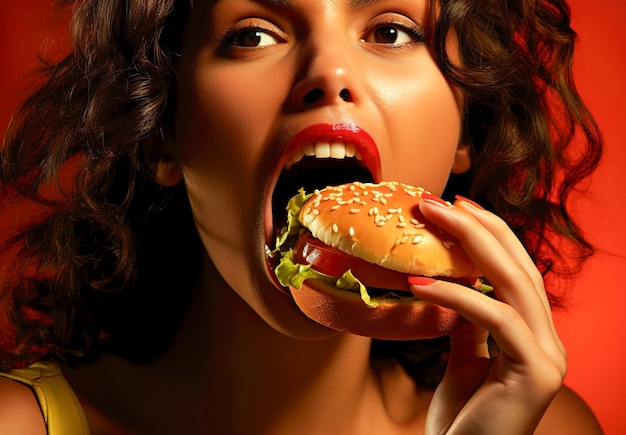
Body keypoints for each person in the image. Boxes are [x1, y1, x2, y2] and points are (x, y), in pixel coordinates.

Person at [0, 0, 605, 433]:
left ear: (465, 131)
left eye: (391, 32)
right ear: (161, 133)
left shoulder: (544, 426)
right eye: (253, 35)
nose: (329, 73)